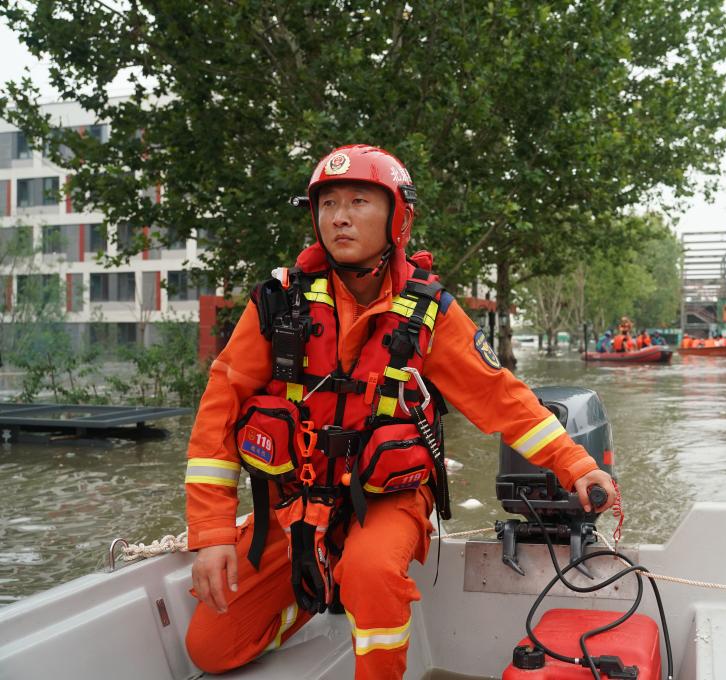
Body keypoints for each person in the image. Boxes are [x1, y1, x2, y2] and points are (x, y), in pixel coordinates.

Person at [183, 145, 616, 679]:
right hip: (296, 502)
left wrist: (576, 465)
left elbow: (502, 400)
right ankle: (316, 590)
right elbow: (218, 415)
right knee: (211, 648)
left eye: (359, 200)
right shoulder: (276, 304)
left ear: (398, 217)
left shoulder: (430, 313)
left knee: (371, 571)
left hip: (387, 498)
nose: (339, 216)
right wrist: (212, 535)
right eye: (327, 203)